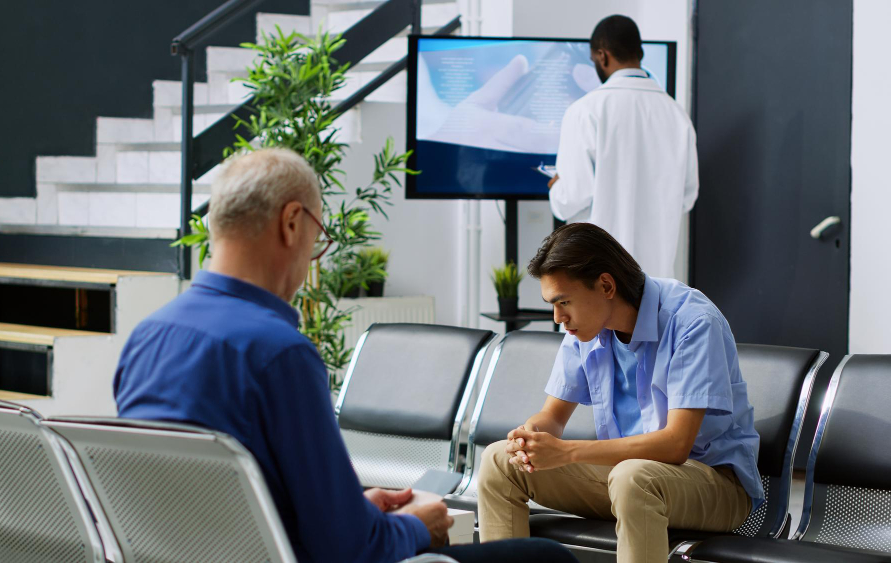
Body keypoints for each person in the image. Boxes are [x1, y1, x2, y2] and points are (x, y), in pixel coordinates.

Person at [114, 148, 575, 563]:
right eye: (318, 233)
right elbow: (350, 551)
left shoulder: (147, 338)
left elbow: (218, 504)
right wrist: (418, 526)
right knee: (544, 560)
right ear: (292, 222)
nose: (314, 252)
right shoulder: (277, 354)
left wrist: (358, 511)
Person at [477, 222, 761, 563]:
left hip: (714, 485)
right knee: (499, 461)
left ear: (606, 285)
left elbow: (675, 444)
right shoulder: (585, 329)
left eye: (564, 301)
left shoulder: (692, 322)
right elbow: (552, 417)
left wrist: (566, 453)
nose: (558, 318)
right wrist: (531, 437)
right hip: (627, 479)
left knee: (632, 477)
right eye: (552, 304)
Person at [547, 15, 698, 278]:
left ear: (602, 56)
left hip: (598, 279)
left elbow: (572, 197)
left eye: (594, 59)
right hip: (656, 282)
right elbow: (687, 196)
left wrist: (557, 187)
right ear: (640, 53)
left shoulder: (585, 111)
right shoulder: (677, 115)